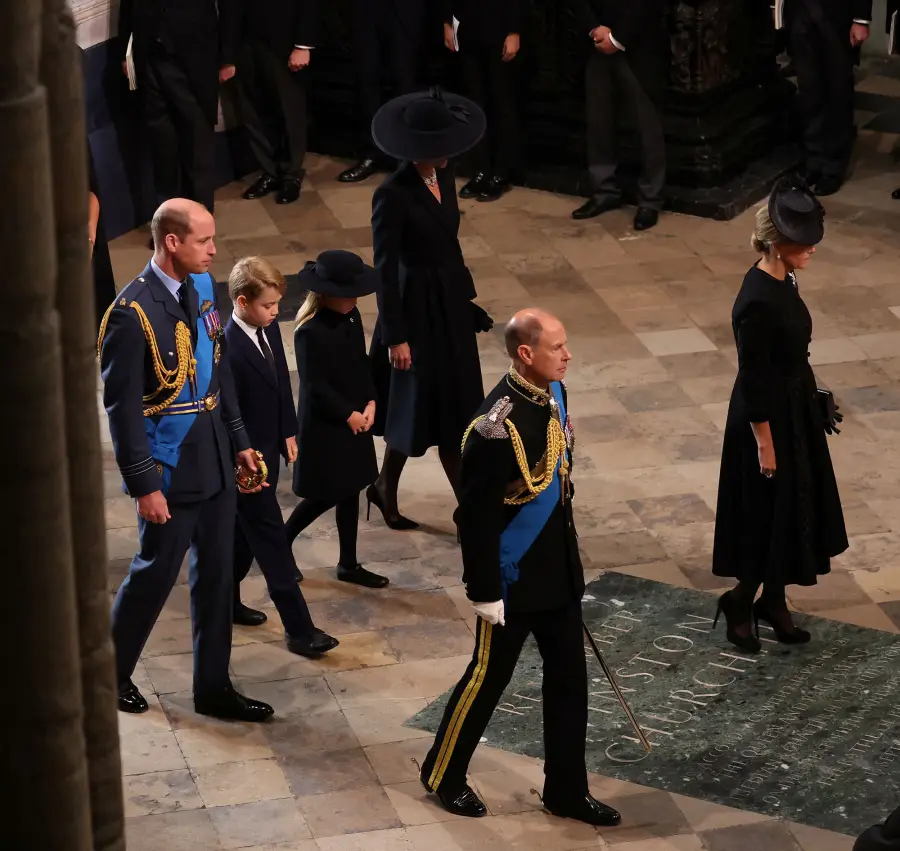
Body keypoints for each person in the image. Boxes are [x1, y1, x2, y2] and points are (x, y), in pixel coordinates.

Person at [419, 309, 621, 828]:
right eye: (557, 348)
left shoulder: (555, 393)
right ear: (525, 355)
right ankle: (443, 774)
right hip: (510, 578)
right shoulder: (494, 429)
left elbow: (558, 485)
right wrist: (484, 588)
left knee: (570, 684)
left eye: (566, 344)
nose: (568, 355)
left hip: (556, 573)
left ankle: (567, 792)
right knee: (487, 679)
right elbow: (477, 515)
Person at [98, 198, 273, 722]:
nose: (214, 251)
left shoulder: (204, 288)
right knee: (154, 574)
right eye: (204, 241)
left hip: (216, 457)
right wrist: (144, 483)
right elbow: (122, 409)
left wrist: (239, 439)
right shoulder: (130, 314)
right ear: (172, 242)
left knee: (218, 576)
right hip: (171, 467)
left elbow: (218, 372)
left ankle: (213, 687)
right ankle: (108, 674)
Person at [712, 176, 847, 653]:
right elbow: (753, 377)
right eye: (804, 241)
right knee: (763, 513)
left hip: (792, 406)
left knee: (792, 509)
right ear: (777, 242)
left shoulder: (785, 276)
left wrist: (815, 394)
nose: (812, 248)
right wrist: (764, 443)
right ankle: (740, 599)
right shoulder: (755, 300)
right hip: (764, 418)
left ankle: (774, 601)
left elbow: (788, 353)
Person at [367, 88, 493, 528]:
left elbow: (448, 245)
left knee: (447, 407)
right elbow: (384, 270)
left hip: (448, 307)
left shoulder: (444, 173)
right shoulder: (392, 194)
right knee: (428, 409)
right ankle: (470, 513)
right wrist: (395, 335)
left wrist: (465, 303)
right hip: (416, 313)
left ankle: (385, 487)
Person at [224, 256, 340, 656]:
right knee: (271, 539)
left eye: (276, 306)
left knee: (244, 533)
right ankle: (300, 629)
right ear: (242, 302)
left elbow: (279, 383)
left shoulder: (266, 329)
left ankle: (224, 600)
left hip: (267, 451)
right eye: (267, 306)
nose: (275, 314)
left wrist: (288, 429)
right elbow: (229, 408)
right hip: (245, 465)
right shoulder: (227, 345)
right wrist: (244, 454)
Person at [285, 251, 389, 589]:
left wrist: (371, 400)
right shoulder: (309, 332)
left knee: (351, 490)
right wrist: (349, 414)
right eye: (348, 294)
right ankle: (278, 544)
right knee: (324, 494)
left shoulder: (352, 316)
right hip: (327, 426)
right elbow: (315, 387)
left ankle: (348, 563)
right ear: (326, 293)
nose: (354, 299)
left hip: (355, 417)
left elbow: (360, 363)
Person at [118, 0, 234, 211]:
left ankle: (199, 221)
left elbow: (229, 6)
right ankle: (169, 223)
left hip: (195, 58)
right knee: (162, 148)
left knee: (197, 144)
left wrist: (228, 57)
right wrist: (125, 52)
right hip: (149, 58)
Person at [569, 0, 668, 230]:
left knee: (647, 126)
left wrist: (617, 38)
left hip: (638, 47)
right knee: (598, 121)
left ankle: (650, 199)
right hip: (594, 46)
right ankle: (605, 191)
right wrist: (594, 29)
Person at [224, 0, 319, 205]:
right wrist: (227, 55)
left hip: (284, 41)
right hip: (243, 41)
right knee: (252, 112)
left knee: (290, 110)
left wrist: (303, 44)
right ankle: (269, 171)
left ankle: (291, 174)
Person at [779, 0, 871, 196]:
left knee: (838, 91)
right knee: (809, 90)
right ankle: (814, 160)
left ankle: (834, 166)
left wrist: (861, 19)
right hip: (800, 10)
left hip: (837, 14)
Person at [441, 0, 526, 202]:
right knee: (474, 104)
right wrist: (446, 22)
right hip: (468, 28)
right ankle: (481, 170)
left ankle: (502, 173)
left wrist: (515, 31)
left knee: (502, 104)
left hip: (500, 28)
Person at [337, 0, 426, 183]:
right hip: (365, 12)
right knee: (366, 83)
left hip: (403, 12)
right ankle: (371, 155)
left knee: (404, 85)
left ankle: (406, 157)